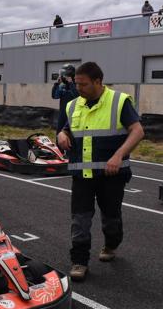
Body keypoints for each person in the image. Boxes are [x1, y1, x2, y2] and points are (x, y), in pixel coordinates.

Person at [56, 62, 144, 281]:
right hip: (82, 176)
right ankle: (79, 261)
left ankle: (111, 244)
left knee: (111, 219)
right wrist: (62, 135)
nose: (79, 88)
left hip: (111, 176)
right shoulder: (73, 104)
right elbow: (68, 127)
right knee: (80, 220)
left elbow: (138, 131)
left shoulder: (119, 101)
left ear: (98, 81)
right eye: (76, 84)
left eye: (83, 84)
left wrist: (119, 155)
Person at [52, 64, 79, 134]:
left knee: (70, 135)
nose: (63, 76)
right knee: (59, 133)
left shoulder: (77, 85)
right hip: (62, 114)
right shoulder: (62, 86)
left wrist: (71, 83)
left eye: (64, 75)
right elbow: (55, 96)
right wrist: (57, 84)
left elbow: (77, 96)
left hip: (73, 115)